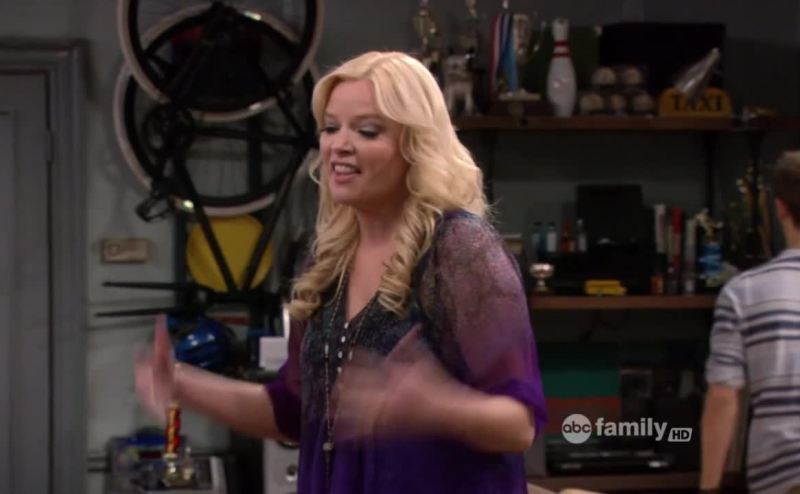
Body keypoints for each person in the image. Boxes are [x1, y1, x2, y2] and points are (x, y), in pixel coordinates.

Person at [135, 51, 547, 494]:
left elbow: (518, 425)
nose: (339, 145)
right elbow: (294, 413)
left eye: (367, 131)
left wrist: (436, 406)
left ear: (416, 146)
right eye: (331, 128)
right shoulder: (326, 260)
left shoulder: (460, 250)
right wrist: (183, 384)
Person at [700, 151, 800, 493]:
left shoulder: (744, 292)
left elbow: (723, 397)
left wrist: (709, 487)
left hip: (784, 477)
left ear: (780, 207)